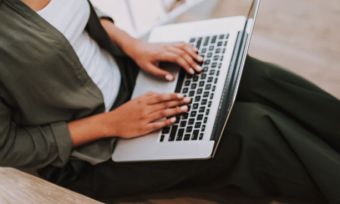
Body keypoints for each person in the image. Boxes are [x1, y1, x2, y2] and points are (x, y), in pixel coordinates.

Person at [0, 0, 339, 203]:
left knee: (254, 76)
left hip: (129, 76)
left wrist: (133, 45)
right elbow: (7, 147)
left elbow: (79, 13)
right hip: (90, 151)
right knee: (250, 132)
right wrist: (112, 123)